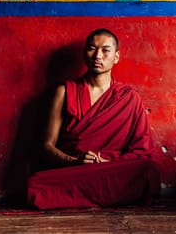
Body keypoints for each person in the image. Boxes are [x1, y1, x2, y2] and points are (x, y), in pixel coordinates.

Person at [27, 28, 160, 209]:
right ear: (85, 54)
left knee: (147, 170)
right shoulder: (65, 91)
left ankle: (77, 197)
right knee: (35, 183)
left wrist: (106, 163)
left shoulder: (128, 97)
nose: (98, 55)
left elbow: (141, 151)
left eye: (105, 50)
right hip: (73, 169)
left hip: (109, 169)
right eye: (92, 48)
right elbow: (46, 146)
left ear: (116, 57)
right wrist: (75, 161)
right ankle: (108, 196)